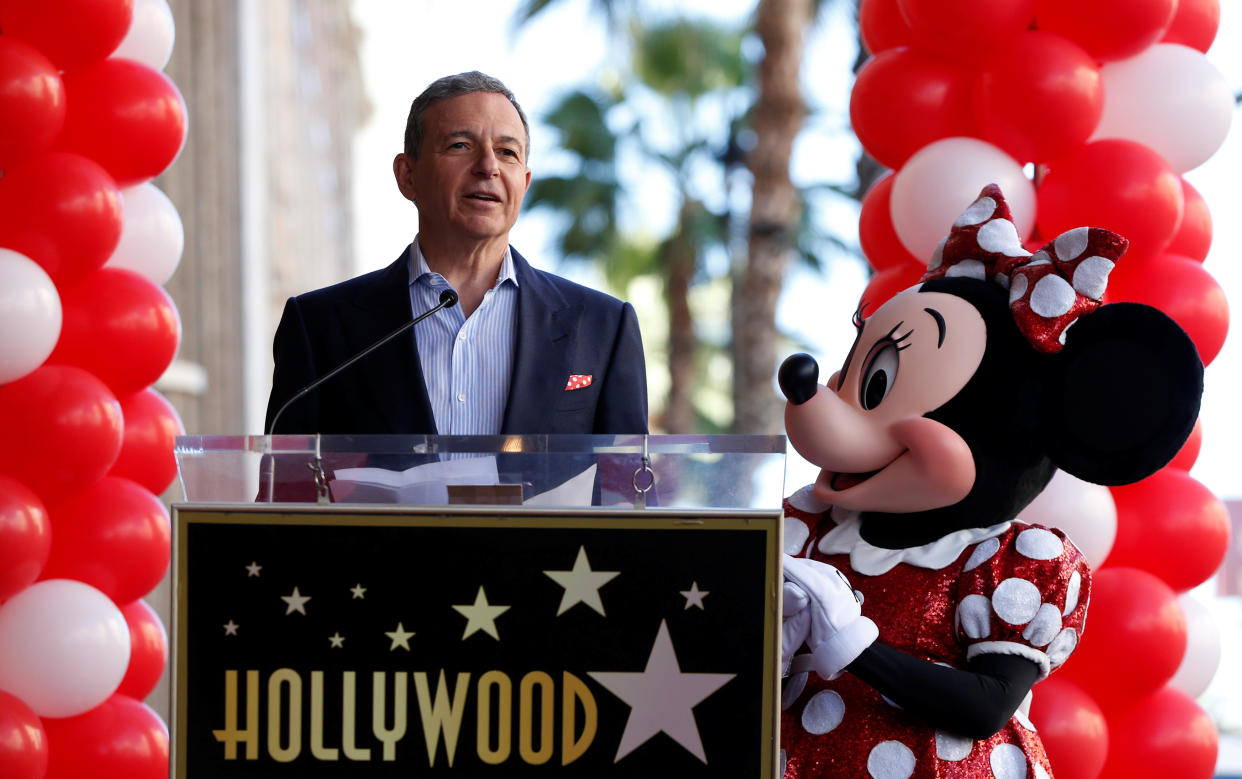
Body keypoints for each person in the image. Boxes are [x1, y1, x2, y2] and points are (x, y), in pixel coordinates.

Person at [264, 71, 648, 438]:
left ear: (524, 183)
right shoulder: (320, 327)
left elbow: (629, 493)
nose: (488, 167)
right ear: (408, 175)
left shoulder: (603, 328)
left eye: (507, 152)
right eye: (460, 146)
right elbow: (282, 494)